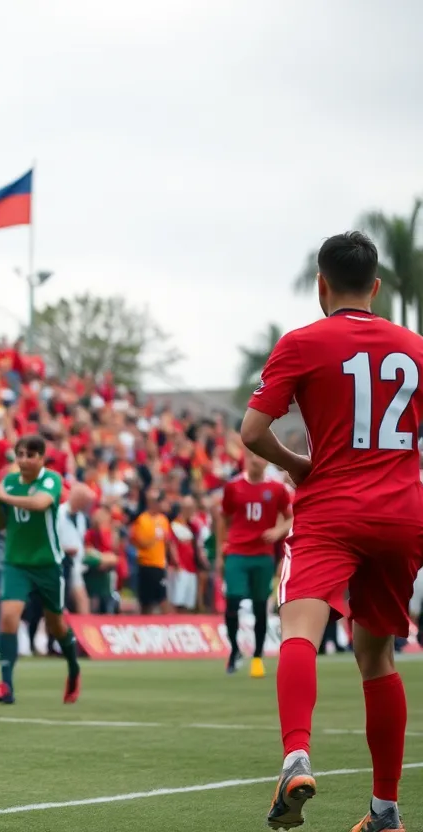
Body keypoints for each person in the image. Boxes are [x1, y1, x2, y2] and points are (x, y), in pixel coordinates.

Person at [241, 231, 423, 832]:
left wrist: (296, 465)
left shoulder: (304, 342)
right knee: (378, 659)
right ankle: (385, 813)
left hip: (331, 509)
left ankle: (295, 756)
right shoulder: (416, 348)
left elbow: (252, 431)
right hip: (401, 516)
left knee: (300, 627)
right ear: (376, 287)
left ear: (322, 284)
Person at [0, 435, 82, 706]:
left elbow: (40, 503)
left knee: (56, 624)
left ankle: (73, 668)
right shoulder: (9, 482)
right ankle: (6, 684)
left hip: (47, 564)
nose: (25, 460)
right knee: (8, 617)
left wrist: (5, 496)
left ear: (41, 458)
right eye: (20, 455)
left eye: (30, 455)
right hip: (16, 562)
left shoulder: (50, 480)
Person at [214, 453, 292, 678]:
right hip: (237, 553)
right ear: (247, 459)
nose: (258, 461)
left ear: (267, 461)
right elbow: (224, 518)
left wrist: (278, 531)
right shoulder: (233, 487)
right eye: (254, 457)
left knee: (260, 606)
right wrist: (222, 548)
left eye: (261, 457)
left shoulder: (277, 489)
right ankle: (235, 650)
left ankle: (257, 656)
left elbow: (291, 517)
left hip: (262, 555)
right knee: (233, 602)